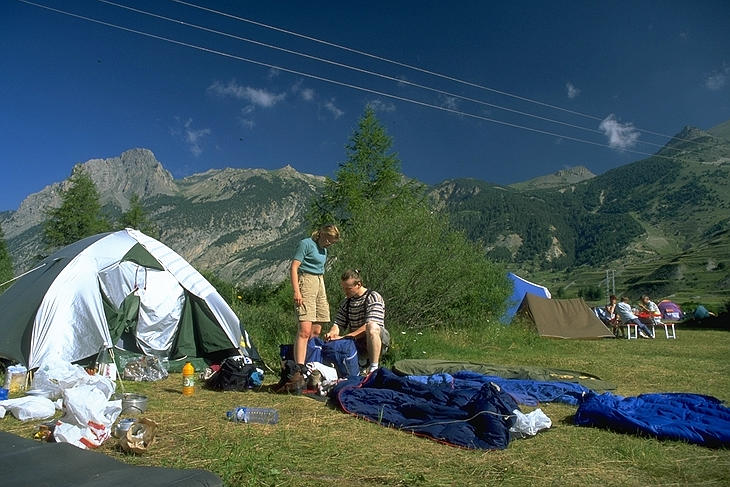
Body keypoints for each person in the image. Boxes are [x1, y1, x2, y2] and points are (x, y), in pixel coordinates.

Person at [279, 224, 340, 392]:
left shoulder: (324, 250)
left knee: (316, 330)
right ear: (322, 234)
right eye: (328, 239)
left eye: (332, 242)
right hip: (306, 281)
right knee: (304, 330)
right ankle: (299, 368)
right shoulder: (306, 244)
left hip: (320, 282)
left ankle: (309, 363)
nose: (329, 243)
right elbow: (294, 267)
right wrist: (296, 291)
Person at [325, 269, 390, 374]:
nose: (345, 292)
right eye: (344, 288)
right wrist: (332, 333)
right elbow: (338, 323)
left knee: (372, 327)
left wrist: (345, 337)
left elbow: (370, 325)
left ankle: (374, 367)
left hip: (377, 339)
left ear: (358, 285)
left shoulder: (373, 297)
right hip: (356, 341)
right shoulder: (347, 302)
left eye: (348, 289)